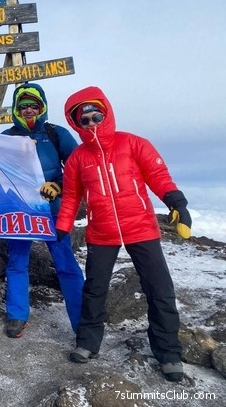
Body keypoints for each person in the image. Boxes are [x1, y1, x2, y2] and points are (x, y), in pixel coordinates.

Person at [55, 86, 192, 382]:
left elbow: (158, 176)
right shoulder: (78, 158)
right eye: (84, 120)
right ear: (76, 124)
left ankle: (168, 353)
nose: (91, 123)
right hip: (101, 232)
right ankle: (87, 342)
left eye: (96, 116)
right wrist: (63, 226)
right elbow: (71, 196)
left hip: (141, 227)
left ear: (106, 113)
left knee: (160, 290)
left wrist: (176, 202)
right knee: (94, 290)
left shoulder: (132, 143)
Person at [1, 83, 84, 337]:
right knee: (17, 262)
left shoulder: (56, 134)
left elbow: (79, 167)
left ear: (42, 107)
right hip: (20, 211)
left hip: (53, 210)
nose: (28, 110)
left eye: (33, 105)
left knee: (66, 263)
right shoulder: (5, 137)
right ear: (16, 109)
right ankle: (17, 315)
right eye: (23, 106)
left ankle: (83, 320)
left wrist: (59, 186)